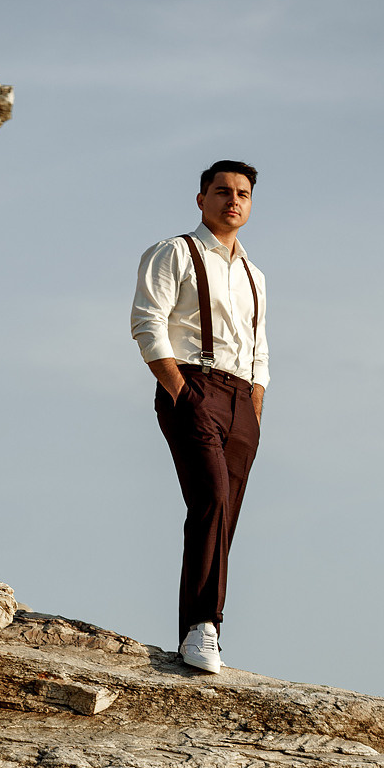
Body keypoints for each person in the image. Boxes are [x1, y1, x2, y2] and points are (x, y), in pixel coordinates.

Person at [130, 161, 269, 675]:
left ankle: (210, 627)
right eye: (223, 191)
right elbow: (147, 323)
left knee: (225, 513)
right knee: (209, 498)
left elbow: (260, 349)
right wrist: (181, 392)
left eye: (243, 194)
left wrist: (255, 406)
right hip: (194, 388)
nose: (233, 200)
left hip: (241, 402)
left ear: (250, 205)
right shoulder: (174, 253)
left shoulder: (255, 274)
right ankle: (200, 628)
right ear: (201, 199)